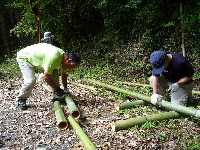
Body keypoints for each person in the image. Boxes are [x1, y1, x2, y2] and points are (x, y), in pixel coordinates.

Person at [16, 43, 81, 110]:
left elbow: (64, 75)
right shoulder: (53, 57)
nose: (69, 69)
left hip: (37, 59)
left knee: (55, 71)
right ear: (68, 61)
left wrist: (66, 89)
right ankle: (21, 99)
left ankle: (57, 97)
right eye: (70, 67)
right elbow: (46, 78)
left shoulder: (63, 59)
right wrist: (58, 89)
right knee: (30, 80)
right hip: (25, 57)